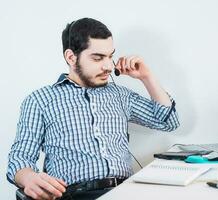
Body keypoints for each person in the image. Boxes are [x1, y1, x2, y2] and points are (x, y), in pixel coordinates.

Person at [7, 18, 180, 200]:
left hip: (126, 191)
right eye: (98, 58)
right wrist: (29, 178)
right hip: (77, 195)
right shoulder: (40, 100)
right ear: (71, 57)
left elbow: (168, 122)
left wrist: (146, 76)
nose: (108, 66)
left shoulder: (120, 95)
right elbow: (20, 158)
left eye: (110, 56)